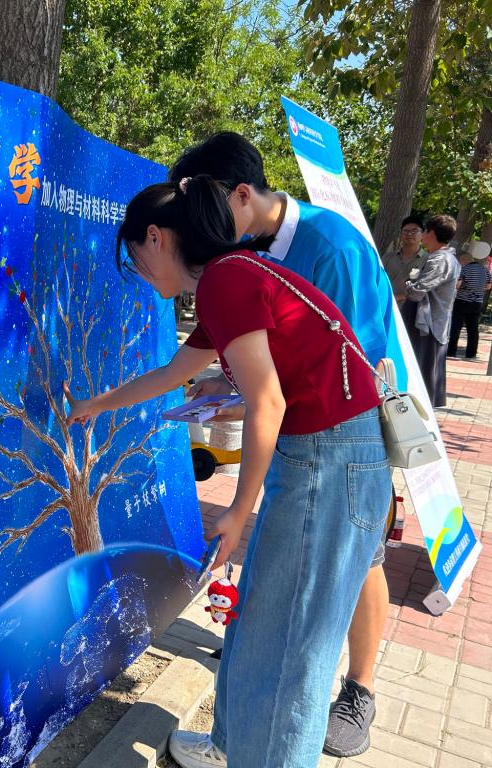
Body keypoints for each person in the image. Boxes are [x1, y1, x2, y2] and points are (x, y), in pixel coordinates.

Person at [63, 175, 391, 768]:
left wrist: (239, 510)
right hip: (326, 457)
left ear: (156, 238)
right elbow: (174, 374)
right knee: (266, 630)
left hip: (329, 460)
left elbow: (268, 401)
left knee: (290, 654)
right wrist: (94, 405)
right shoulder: (234, 275)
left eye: (135, 257)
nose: (141, 273)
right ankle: (235, 751)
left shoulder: (225, 281)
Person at [168, 131, 400, 758]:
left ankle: (358, 691)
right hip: (297, 449)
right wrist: (229, 384)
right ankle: (230, 742)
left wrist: (252, 402)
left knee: (323, 611)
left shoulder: (332, 247)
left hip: (342, 450)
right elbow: (269, 356)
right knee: (271, 613)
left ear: (241, 195)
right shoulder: (244, 254)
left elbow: (345, 373)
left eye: (201, 206)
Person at [401, 215, 460, 407]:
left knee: (422, 370)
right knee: (423, 368)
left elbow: (417, 291)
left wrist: (408, 285)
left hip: (427, 324)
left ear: (432, 234)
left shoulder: (440, 260)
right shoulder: (443, 258)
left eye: (424, 231)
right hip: (429, 323)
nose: (423, 235)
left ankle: (420, 408)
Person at [448, 241, 492, 359]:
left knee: (456, 328)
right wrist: (478, 289)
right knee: (473, 329)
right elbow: (489, 286)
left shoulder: (464, 269)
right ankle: (471, 353)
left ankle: (451, 351)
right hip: (477, 303)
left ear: (463, 260)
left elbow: (458, 285)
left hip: (462, 301)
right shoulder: (485, 270)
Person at [381, 215, 426, 305]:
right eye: (406, 231)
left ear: (422, 235)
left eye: (414, 231)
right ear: (401, 235)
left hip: (413, 310)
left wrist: (399, 297)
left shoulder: (428, 260)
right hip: (386, 306)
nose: (409, 234)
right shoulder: (387, 258)